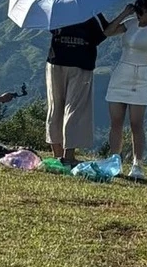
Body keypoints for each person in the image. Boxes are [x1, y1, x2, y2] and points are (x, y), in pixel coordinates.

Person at [104, 0, 147, 180]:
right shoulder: (131, 23)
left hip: (140, 76)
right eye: (138, 9)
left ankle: (137, 164)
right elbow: (108, 31)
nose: (139, 13)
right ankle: (114, 160)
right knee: (116, 122)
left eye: (142, 10)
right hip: (121, 72)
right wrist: (125, 13)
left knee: (136, 123)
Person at [46, 12, 110, 165]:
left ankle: (57, 153)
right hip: (80, 64)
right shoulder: (90, 14)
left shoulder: (58, 11)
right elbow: (102, 35)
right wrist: (124, 15)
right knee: (74, 109)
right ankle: (69, 155)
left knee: (55, 106)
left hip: (56, 62)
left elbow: (51, 29)